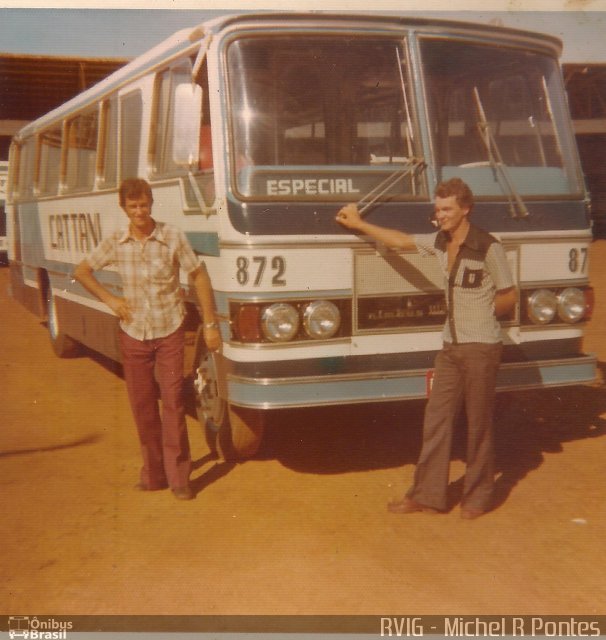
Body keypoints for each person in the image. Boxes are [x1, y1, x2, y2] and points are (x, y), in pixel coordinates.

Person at [336, 177, 516, 519]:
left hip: (481, 348)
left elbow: (509, 295)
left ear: (466, 210)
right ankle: (427, 495)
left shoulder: (488, 246)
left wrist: (482, 318)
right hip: (450, 347)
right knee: (437, 419)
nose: (441, 215)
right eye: (437, 209)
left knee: (479, 423)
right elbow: (402, 241)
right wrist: (359, 223)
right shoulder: (438, 242)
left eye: (447, 209)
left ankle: (478, 495)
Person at [74, 178, 221, 501]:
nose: (139, 211)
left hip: (169, 331)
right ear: (124, 208)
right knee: (142, 407)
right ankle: (154, 474)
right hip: (133, 335)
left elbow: (198, 275)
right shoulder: (116, 241)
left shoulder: (171, 237)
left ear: (151, 204)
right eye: (133, 206)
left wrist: (210, 324)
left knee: (173, 402)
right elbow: (82, 271)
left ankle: (179, 476)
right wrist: (111, 302)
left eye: (144, 205)